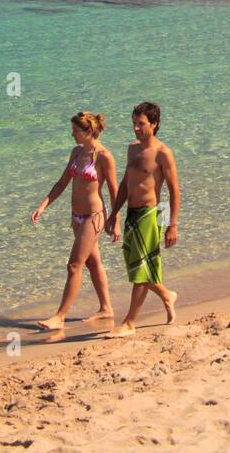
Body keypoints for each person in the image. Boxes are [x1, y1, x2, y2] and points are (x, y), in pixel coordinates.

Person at [30, 111, 119, 331]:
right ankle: (106, 308)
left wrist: (115, 220)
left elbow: (114, 190)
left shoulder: (104, 156)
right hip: (76, 216)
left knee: (73, 266)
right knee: (92, 262)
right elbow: (61, 183)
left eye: (76, 131)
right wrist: (43, 206)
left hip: (94, 216)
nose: (72, 134)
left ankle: (59, 316)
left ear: (88, 131)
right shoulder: (76, 153)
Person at [104, 102, 179, 336]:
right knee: (137, 267)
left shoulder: (163, 153)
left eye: (141, 124)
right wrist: (114, 213)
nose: (136, 128)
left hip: (150, 215)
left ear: (154, 124)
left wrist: (171, 226)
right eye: (134, 124)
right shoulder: (132, 149)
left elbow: (174, 190)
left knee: (141, 271)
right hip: (131, 215)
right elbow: (126, 184)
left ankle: (129, 323)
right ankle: (167, 295)